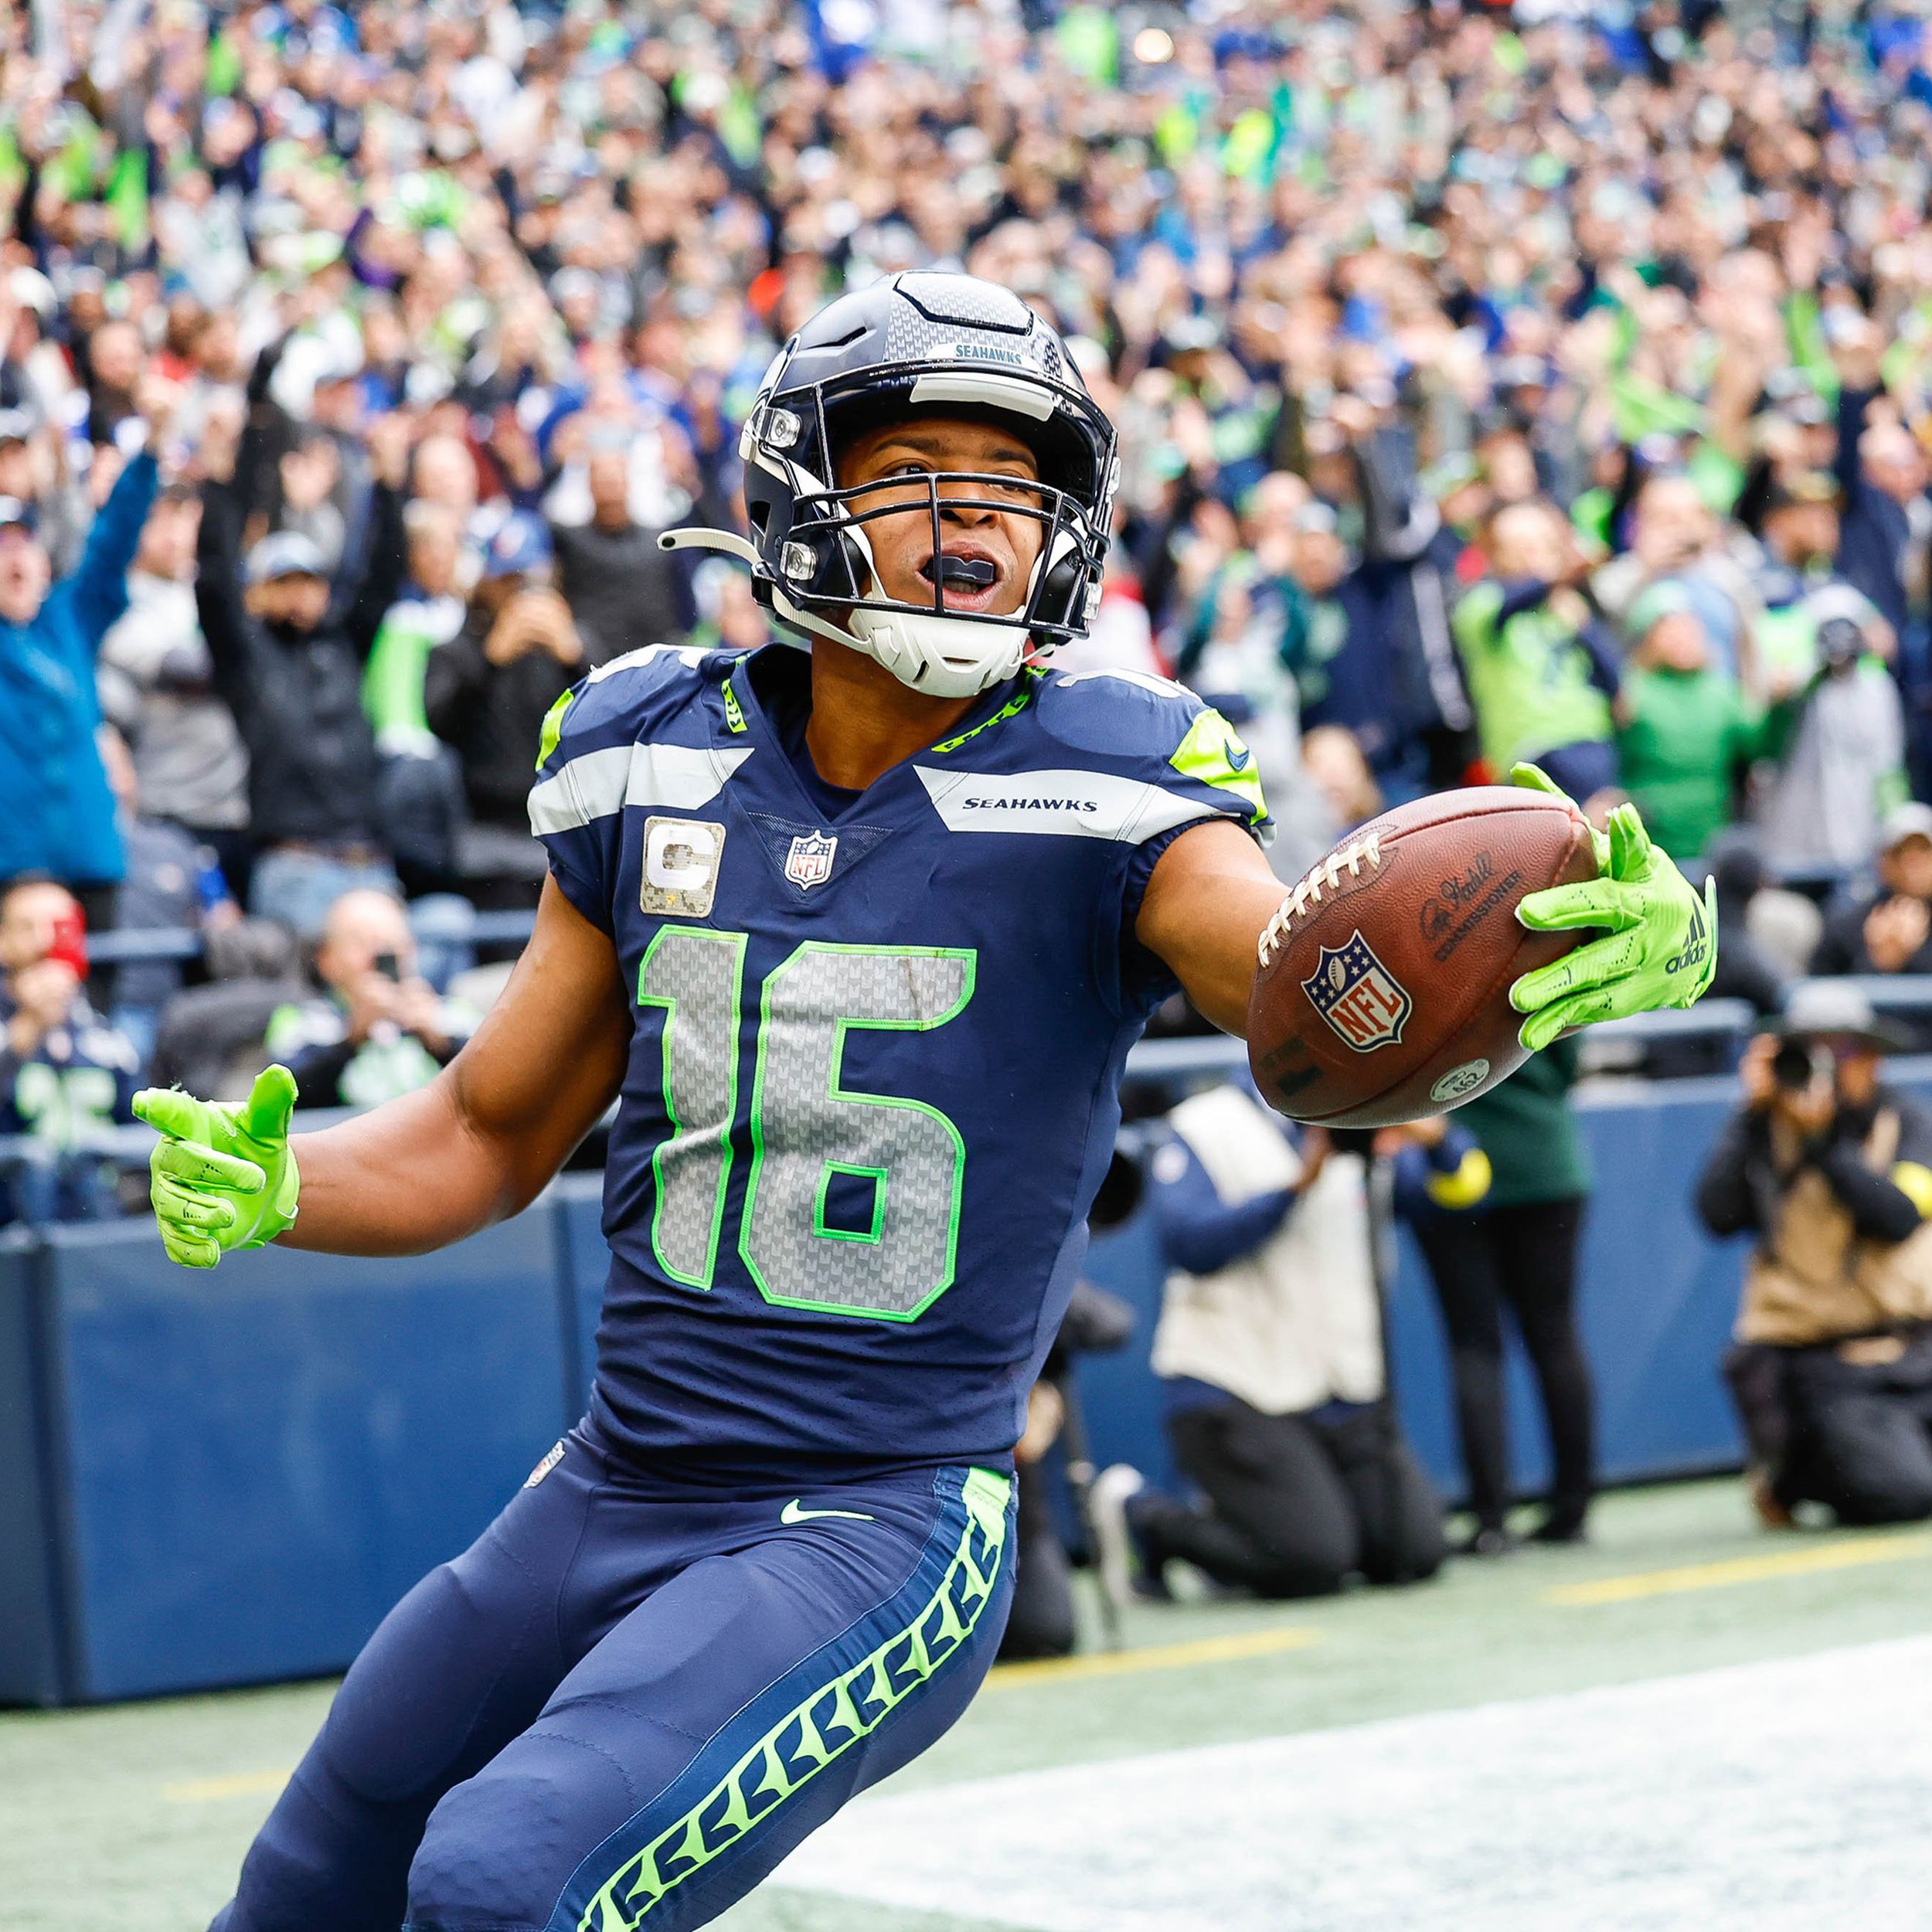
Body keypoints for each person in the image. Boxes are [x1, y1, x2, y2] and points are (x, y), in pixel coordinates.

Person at [131, 275, 1712, 1932]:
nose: (976, 522)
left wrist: (1557, 939)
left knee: (501, 1875)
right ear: (800, 488)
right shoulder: (644, 742)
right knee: (312, 1877)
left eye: (1014, 482)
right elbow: (485, 1128)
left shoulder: (1113, 774)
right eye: (919, 472)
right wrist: (283, 1180)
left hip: (877, 1508)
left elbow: (1302, 975)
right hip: (616, 1473)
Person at [1091, 1081, 1460, 1604]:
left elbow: (1437, 1197)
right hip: (1233, 1385)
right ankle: (1147, 1518)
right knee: (1312, 1563)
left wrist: (1438, 1138)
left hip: (1339, 1390)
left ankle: (1247, 1521)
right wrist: (1295, 1188)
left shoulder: (1359, 1107)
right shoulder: (1204, 1123)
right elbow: (1188, 1244)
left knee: (1413, 1552)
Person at [1696, 983, 1932, 1528]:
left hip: (1914, 1353)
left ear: (1873, 1059)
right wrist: (1747, 1114)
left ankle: (1805, 1470)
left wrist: (1824, 1144)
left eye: (1843, 1050)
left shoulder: (1910, 1124)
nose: (1826, 1067)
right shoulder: (1762, 1130)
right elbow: (1715, 1215)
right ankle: (1794, 1471)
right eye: (1811, 1050)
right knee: (1902, 1493)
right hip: (1818, 1368)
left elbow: (1897, 1218)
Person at [196, 410, 412, 939]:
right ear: (259, 591)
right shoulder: (245, 655)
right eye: (284, 580)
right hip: (295, 867)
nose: (300, 592)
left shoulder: (341, 644)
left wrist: (386, 485)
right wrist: (221, 485)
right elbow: (215, 580)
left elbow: (381, 578)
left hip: (369, 862)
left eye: (311, 580)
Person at [1412, 1039, 1600, 1552]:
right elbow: (1567, 1054)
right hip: (1545, 1159)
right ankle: (1573, 1508)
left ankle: (1491, 1520)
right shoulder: (1542, 954)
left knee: (1475, 1344)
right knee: (1555, 1337)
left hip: (1452, 1160)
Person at [0, 382, 170, 915]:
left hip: (90, 860)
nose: (15, 559)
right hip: (13, 870)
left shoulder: (69, 617)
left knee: (98, 996)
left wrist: (152, 449)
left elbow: (111, 543)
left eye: (23, 543)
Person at [425, 510, 583, 908]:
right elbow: (439, 723)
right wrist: (491, 658)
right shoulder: (458, 649)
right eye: (506, 581)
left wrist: (574, 659)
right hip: (489, 837)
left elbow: (618, 723)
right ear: (485, 583)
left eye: (527, 581)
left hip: (567, 833)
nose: (518, 593)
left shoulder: (572, 644)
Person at [0, 878, 140, 1224]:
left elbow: (139, 1127)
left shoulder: (105, 1034)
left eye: (60, 927)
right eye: (28, 927)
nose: (45, 941)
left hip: (99, 1224)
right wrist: (26, 1029)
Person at [266, 888, 474, 1111]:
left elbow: (495, 1087)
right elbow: (279, 1100)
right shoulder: (300, 1020)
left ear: (411, 949)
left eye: (389, 941)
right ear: (326, 959)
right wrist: (351, 1039)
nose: (375, 955)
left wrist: (441, 1043)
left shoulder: (453, 1014)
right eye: (359, 942)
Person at [549, 428, 690, 666]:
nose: (609, 491)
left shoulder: (661, 541)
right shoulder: (569, 541)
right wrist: (555, 465)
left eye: (614, 480)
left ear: (627, 483)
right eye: (601, 482)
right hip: (592, 666)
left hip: (657, 662)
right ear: (589, 487)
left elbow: (686, 603)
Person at [1809, 802, 1932, 980]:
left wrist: (1910, 953)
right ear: (1883, 861)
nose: (1912, 863)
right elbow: (1820, 996)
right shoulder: (1844, 926)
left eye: (1924, 850)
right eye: (1900, 852)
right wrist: (1878, 962)